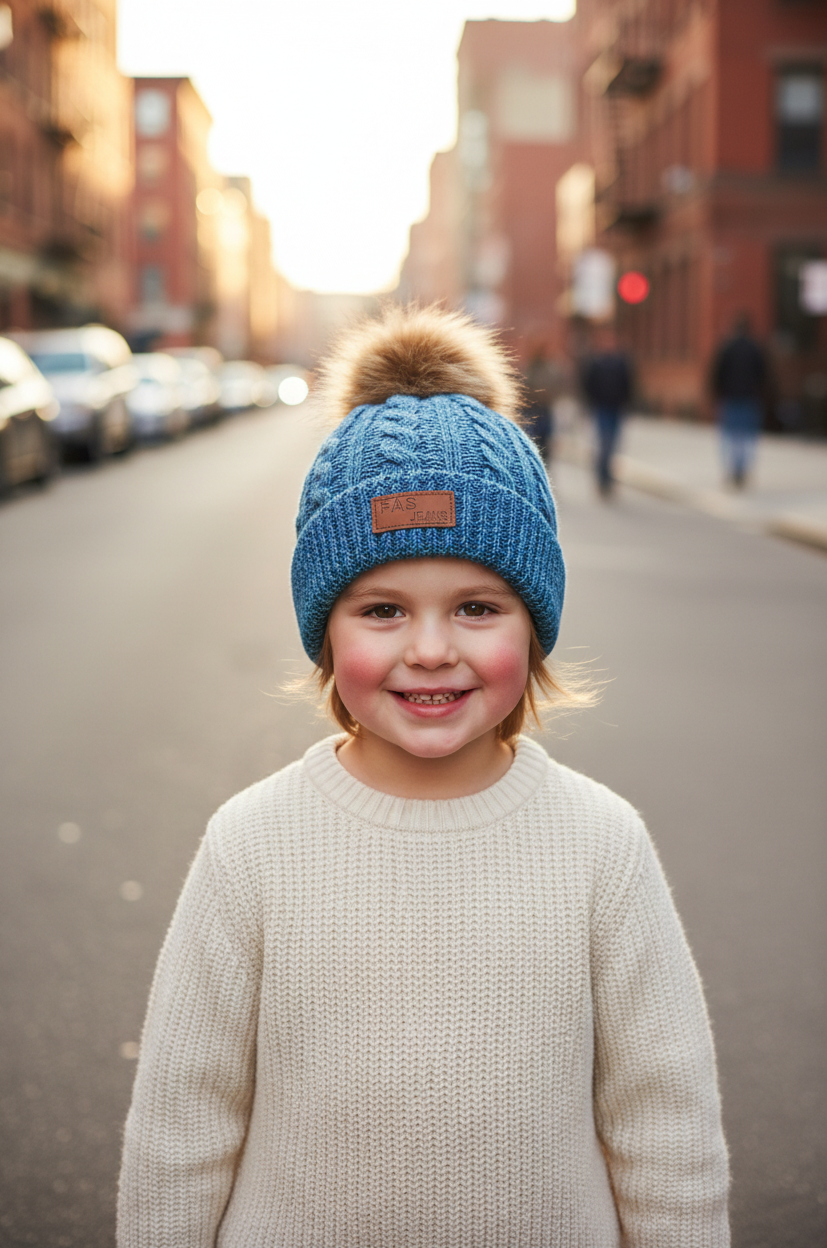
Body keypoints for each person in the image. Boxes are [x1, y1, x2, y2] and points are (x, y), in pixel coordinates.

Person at [117, 306, 730, 1247]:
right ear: (326, 630)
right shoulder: (253, 845)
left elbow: (666, 1129)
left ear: (535, 623)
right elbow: (181, 1128)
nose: (432, 650)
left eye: (478, 606)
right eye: (384, 610)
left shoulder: (600, 845)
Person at [711, 313, 768, 488]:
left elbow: (717, 374)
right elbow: (763, 375)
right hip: (749, 398)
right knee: (747, 437)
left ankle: (732, 470)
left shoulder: (726, 347)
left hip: (730, 398)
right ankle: (742, 470)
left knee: (729, 437)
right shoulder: (755, 347)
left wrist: (717, 394)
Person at [579, 327, 634, 496]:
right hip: (601, 407)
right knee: (604, 443)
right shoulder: (595, 363)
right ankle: (602, 478)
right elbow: (588, 384)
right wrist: (590, 404)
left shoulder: (621, 362)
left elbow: (629, 384)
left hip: (616, 408)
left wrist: (627, 403)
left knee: (613, 444)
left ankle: (608, 477)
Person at [521, 345, 561, 465]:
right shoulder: (531, 368)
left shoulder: (551, 368)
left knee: (546, 440)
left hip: (546, 409)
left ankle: (545, 462)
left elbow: (557, 386)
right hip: (534, 409)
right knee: (534, 438)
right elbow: (526, 386)